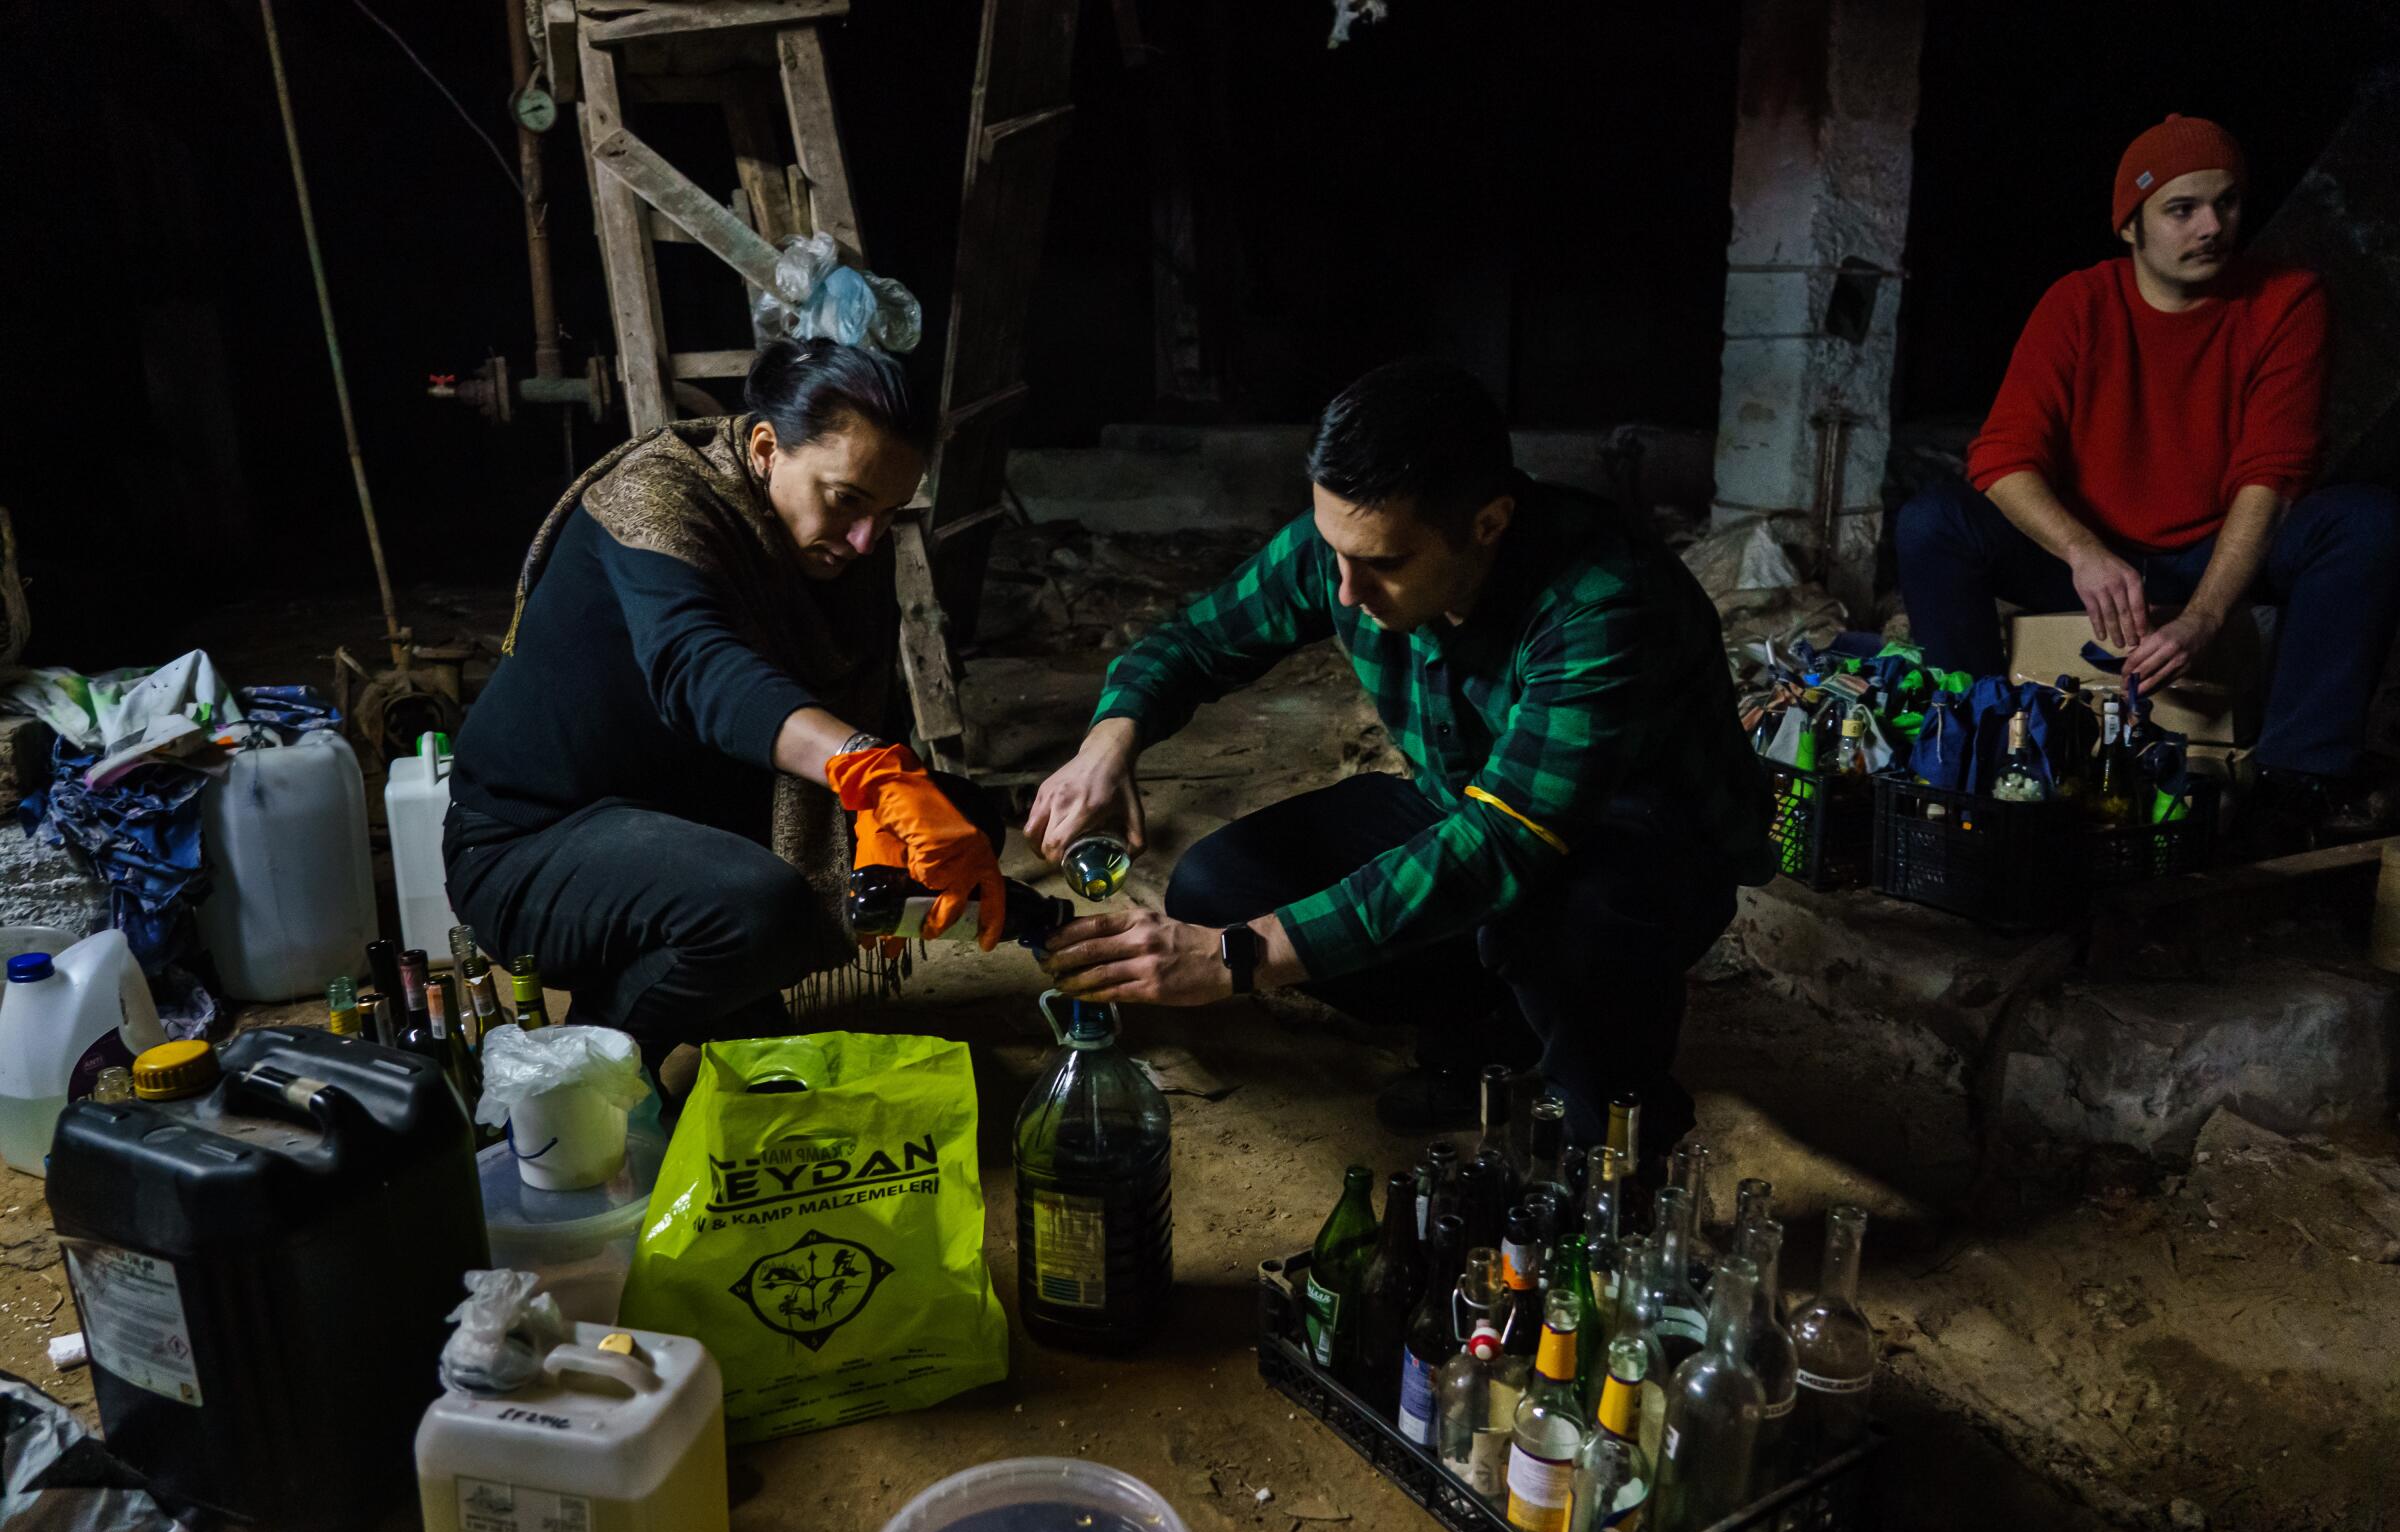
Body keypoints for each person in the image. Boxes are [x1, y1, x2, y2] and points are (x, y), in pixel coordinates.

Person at [1026, 359, 1772, 1157]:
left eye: (1383, 565)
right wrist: (1109, 742)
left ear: (1488, 523)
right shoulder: (1349, 548)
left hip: (1635, 850)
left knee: (1559, 924)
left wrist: (1235, 958)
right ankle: (1491, 1035)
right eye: (1332, 550)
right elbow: (1198, 639)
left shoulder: (1604, 602)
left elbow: (1502, 847)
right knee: (1221, 886)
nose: (1344, 591)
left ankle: (1619, 1131)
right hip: (1470, 810)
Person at [444, 338, 1009, 1082]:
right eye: (846, 500)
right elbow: (699, 669)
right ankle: (589, 1065)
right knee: (759, 912)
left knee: (965, 820)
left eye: (890, 511)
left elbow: (860, 703)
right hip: (535, 845)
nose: (868, 537)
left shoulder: (841, 547)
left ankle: (723, 989)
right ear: (768, 448)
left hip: (687, 819)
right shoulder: (657, 501)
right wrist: (870, 773)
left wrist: (901, 808)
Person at [1896, 114, 2400, 842]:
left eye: (2226, 202)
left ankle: (2296, 784)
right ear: (2129, 226)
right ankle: (1972, 747)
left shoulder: (2287, 301)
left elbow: (2273, 474)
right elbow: (2002, 459)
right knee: (1934, 521)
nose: (2212, 226)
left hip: (2219, 548)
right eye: (2181, 208)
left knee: (2367, 522)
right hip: (2094, 556)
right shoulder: (2079, 303)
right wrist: (2081, 551)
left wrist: (2204, 615)